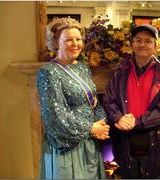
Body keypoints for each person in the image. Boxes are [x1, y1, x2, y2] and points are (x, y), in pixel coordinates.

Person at [37, 17, 110, 179]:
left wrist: (101, 124)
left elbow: (94, 102)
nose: (75, 44)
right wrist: (90, 128)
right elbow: (55, 117)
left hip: (89, 143)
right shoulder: (49, 72)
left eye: (78, 39)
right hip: (67, 147)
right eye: (69, 39)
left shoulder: (82, 67)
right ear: (56, 43)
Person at [103, 24, 160, 179]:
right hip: (125, 140)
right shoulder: (120, 71)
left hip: (155, 141)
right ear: (132, 44)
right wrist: (118, 118)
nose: (142, 44)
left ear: (156, 46)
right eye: (138, 40)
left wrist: (136, 123)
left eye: (148, 41)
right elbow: (108, 100)